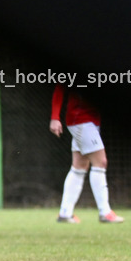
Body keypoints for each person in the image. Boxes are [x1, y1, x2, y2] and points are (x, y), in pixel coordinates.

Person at [49, 85, 123, 223]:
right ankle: (105, 212)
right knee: (100, 162)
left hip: (89, 120)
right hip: (81, 119)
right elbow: (60, 87)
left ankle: (65, 213)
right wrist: (55, 117)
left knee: (79, 166)